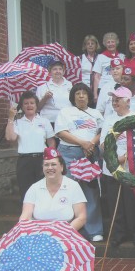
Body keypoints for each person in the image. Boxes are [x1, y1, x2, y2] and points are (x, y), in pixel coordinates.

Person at [54, 83, 104, 242]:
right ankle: (70, 229)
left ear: (89, 97)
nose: (81, 96)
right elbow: (61, 133)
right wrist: (83, 143)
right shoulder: (65, 112)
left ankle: (94, 229)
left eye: (84, 93)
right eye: (77, 93)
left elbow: (101, 131)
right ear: (73, 97)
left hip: (90, 153)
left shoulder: (96, 113)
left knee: (91, 192)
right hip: (70, 153)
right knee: (69, 190)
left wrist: (91, 144)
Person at [99, 87, 135, 247]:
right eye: (113, 99)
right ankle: (118, 234)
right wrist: (115, 158)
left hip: (131, 167)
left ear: (128, 101)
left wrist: (126, 156)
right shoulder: (109, 119)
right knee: (115, 203)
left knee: (132, 202)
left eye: (118, 99)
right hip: (112, 168)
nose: (115, 102)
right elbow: (103, 144)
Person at [19, 147, 87, 231]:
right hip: (39, 234)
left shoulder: (73, 186)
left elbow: (81, 217)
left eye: (53, 164)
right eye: (46, 165)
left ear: (61, 167)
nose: (50, 168)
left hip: (68, 232)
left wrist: (62, 233)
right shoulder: (34, 188)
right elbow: (25, 217)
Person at [5, 91, 56, 202]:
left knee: (44, 191)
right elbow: (10, 138)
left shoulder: (44, 121)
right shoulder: (17, 122)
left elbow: (51, 141)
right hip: (25, 161)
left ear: (36, 105)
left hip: (42, 160)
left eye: (32, 103)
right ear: (22, 107)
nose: (29, 106)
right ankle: (29, 217)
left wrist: (51, 158)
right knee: (26, 193)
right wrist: (10, 118)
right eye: (26, 103)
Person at [36, 60, 72, 126]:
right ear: (50, 72)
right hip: (49, 121)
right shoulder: (42, 87)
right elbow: (37, 108)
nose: (58, 71)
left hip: (67, 120)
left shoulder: (71, 86)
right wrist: (45, 98)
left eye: (60, 69)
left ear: (63, 72)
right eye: (55, 69)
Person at [92, 32, 125, 101]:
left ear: (116, 43)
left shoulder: (122, 56)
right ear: (105, 44)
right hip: (104, 87)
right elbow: (96, 76)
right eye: (108, 42)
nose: (110, 44)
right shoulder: (100, 57)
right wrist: (95, 94)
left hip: (118, 86)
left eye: (112, 42)